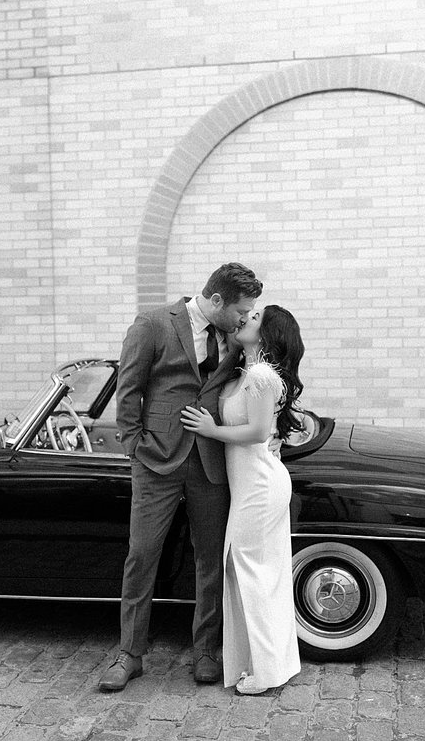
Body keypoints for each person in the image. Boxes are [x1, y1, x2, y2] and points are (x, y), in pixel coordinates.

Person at [99, 262, 264, 692]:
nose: (245, 317)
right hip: (156, 460)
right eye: (241, 309)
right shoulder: (153, 324)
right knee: (142, 556)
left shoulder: (233, 336)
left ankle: (206, 651)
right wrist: (136, 446)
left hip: (211, 460)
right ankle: (129, 654)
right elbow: (128, 388)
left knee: (210, 559)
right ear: (215, 301)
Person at [180, 304, 305, 695]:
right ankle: (268, 663)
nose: (244, 320)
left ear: (266, 334)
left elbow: (255, 432)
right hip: (251, 483)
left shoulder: (262, 375)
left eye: (253, 319)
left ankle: (265, 672)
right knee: (258, 572)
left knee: (247, 568)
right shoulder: (246, 372)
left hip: (260, 485)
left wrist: (211, 429)